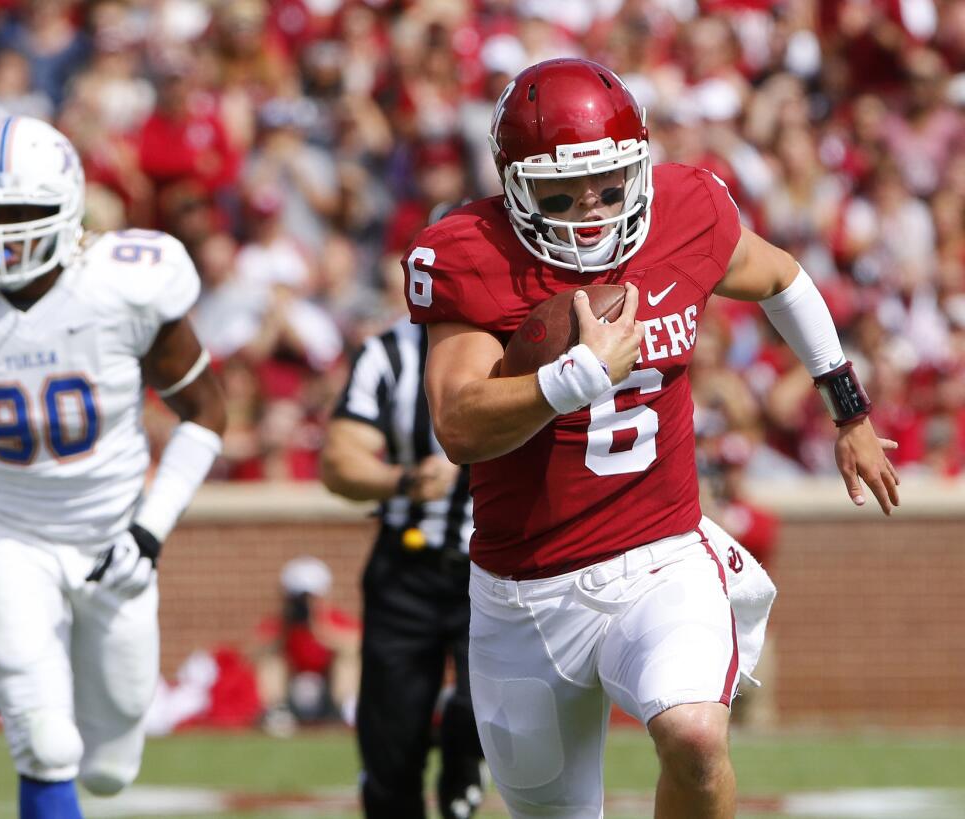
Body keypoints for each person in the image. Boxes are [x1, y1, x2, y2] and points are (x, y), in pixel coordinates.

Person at [403, 58, 899, 819]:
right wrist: (574, 377)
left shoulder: (684, 208)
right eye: (561, 193)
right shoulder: (471, 251)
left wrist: (849, 409)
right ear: (512, 183)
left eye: (608, 184)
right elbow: (459, 425)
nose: (591, 210)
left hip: (660, 558)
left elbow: (781, 278)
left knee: (696, 735)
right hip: (528, 592)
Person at [0, 116, 226, 819]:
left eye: (23, 215)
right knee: (46, 741)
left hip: (115, 536)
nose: (2, 234)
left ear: (68, 211)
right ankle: (11, 660)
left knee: (111, 766)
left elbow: (207, 414)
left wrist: (148, 531)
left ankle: (17, 664)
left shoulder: (125, 284)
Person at [321, 315, 485, 819]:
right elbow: (339, 461)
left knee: (486, 708)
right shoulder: (389, 352)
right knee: (391, 749)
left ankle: (466, 758)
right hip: (407, 569)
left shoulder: (528, 339)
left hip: (499, 565)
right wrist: (407, 480)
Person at [252, 556, 360, 735]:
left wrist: (321, 629)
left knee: (348, 660)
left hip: (329, 689)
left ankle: (345, 711)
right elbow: (255, 654)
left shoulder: (334, 620)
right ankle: (276, 712)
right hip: (292, 689)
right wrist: (284, 633)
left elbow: (358, 646)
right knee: (271, 660)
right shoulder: (280, 624)